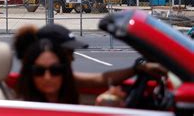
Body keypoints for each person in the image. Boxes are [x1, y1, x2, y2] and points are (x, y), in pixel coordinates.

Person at [14, 24, 167, 90]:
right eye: (69, 53)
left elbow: (99, 80)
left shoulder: (62, 79)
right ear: (50, 53)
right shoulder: (40, 82)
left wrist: (137, 68)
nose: (73, 59)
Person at [16, 38, 78, 104]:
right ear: (29, 74)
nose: (47, 77)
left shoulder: (78, 108)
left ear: (65, 72)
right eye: (39, 71)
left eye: (55, 70)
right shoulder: (16, 109)